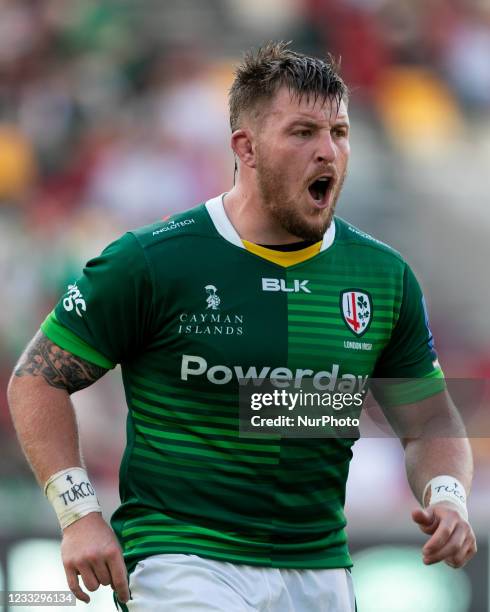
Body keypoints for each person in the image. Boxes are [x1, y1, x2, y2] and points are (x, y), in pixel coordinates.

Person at [7, 42, 476, 612]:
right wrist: (78, 514)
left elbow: (428, 417)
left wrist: (448, 496)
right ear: (245, 147)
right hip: (181, 561)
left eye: (340, 132)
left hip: (321, 566)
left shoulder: (381, 275)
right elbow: (36, 379)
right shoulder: (155, 260)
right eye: (303, 132)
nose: (327, 152)